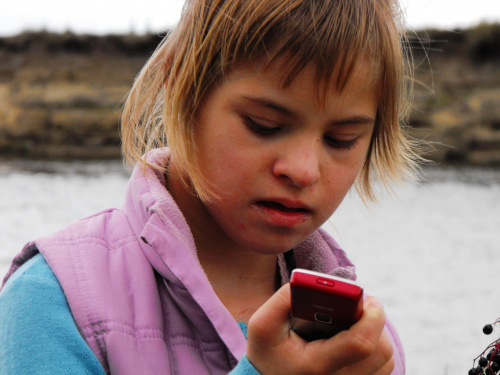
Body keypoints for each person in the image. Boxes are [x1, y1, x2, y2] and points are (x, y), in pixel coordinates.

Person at [0, 0, 421, 373]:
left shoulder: (366, 345)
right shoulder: (54, 302)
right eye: (265, 125)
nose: (303, 170)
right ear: (181, 84)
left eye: (341, 139)